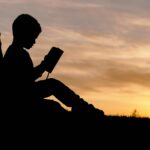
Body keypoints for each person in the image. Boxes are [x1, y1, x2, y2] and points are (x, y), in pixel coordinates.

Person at [2, 14, 104, 120]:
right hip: (20, 99)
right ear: (24, 33)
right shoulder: (16, 53)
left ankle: (83, 108)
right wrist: (44, 65)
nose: (34, 41)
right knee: (53, 93)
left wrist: (43, 65)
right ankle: (84, 109)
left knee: (52, 89)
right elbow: (25, 80)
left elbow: (26, 78)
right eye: (33, 36)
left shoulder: (15, 52)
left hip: (23, 96)